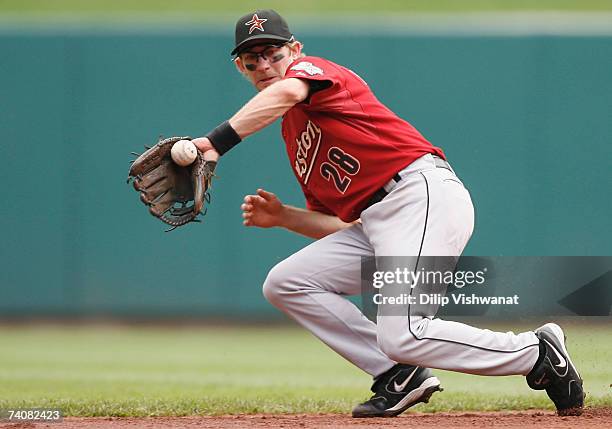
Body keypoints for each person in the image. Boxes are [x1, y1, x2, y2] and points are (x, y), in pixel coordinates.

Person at [192, 9, 584, 417]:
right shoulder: (293, 135)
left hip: (418, 195)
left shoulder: (313, 72)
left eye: (272, 53)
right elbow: (341, 224)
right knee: (287, 282)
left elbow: (287, 93)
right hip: (379, 220)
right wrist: (285, 217)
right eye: (251, 60)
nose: (264, 66)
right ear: (240, 67)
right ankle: (400, 373)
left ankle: (535, 353)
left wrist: (214, 143)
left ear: (295, 50)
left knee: (406, 333)